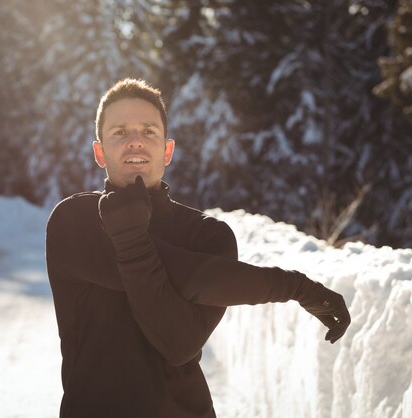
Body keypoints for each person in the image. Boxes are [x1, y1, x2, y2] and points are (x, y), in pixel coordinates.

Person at [46, 78, 351, 418]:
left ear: (167, 150)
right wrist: (297, 287)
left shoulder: (208, 235)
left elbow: (178, 343)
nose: (135, 141)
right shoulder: (75, 221)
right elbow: (196, 276)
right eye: (119, 132)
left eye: (148, 131)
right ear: (100, 152)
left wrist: (131, 240)